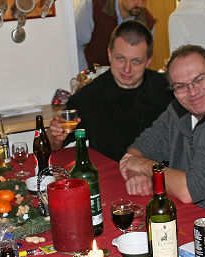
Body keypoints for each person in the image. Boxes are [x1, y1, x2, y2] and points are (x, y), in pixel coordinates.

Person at [119, 45, 205, 212]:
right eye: (181, 86)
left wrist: (144, 166)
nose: (192, 92)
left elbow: (189, 190)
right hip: (185, 210)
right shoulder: (178, 111)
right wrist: (138, 175)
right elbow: (137, 150)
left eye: (199, 80)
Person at [46, 21, 173, 161]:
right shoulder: (88, 97)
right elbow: (51, 143)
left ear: (148, 61)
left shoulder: (168, 90)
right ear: (109, 54)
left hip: (161, 172)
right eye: (120, 58)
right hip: (112, 173)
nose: (127, 69)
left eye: (136, 61)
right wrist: (55, 136)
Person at [74, 0, 156, 70]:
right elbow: (76, 45)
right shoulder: (92, 3)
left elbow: (143, 59)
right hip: (90, 75)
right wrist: (84, 75)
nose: (140, 4)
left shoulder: (148, 22)